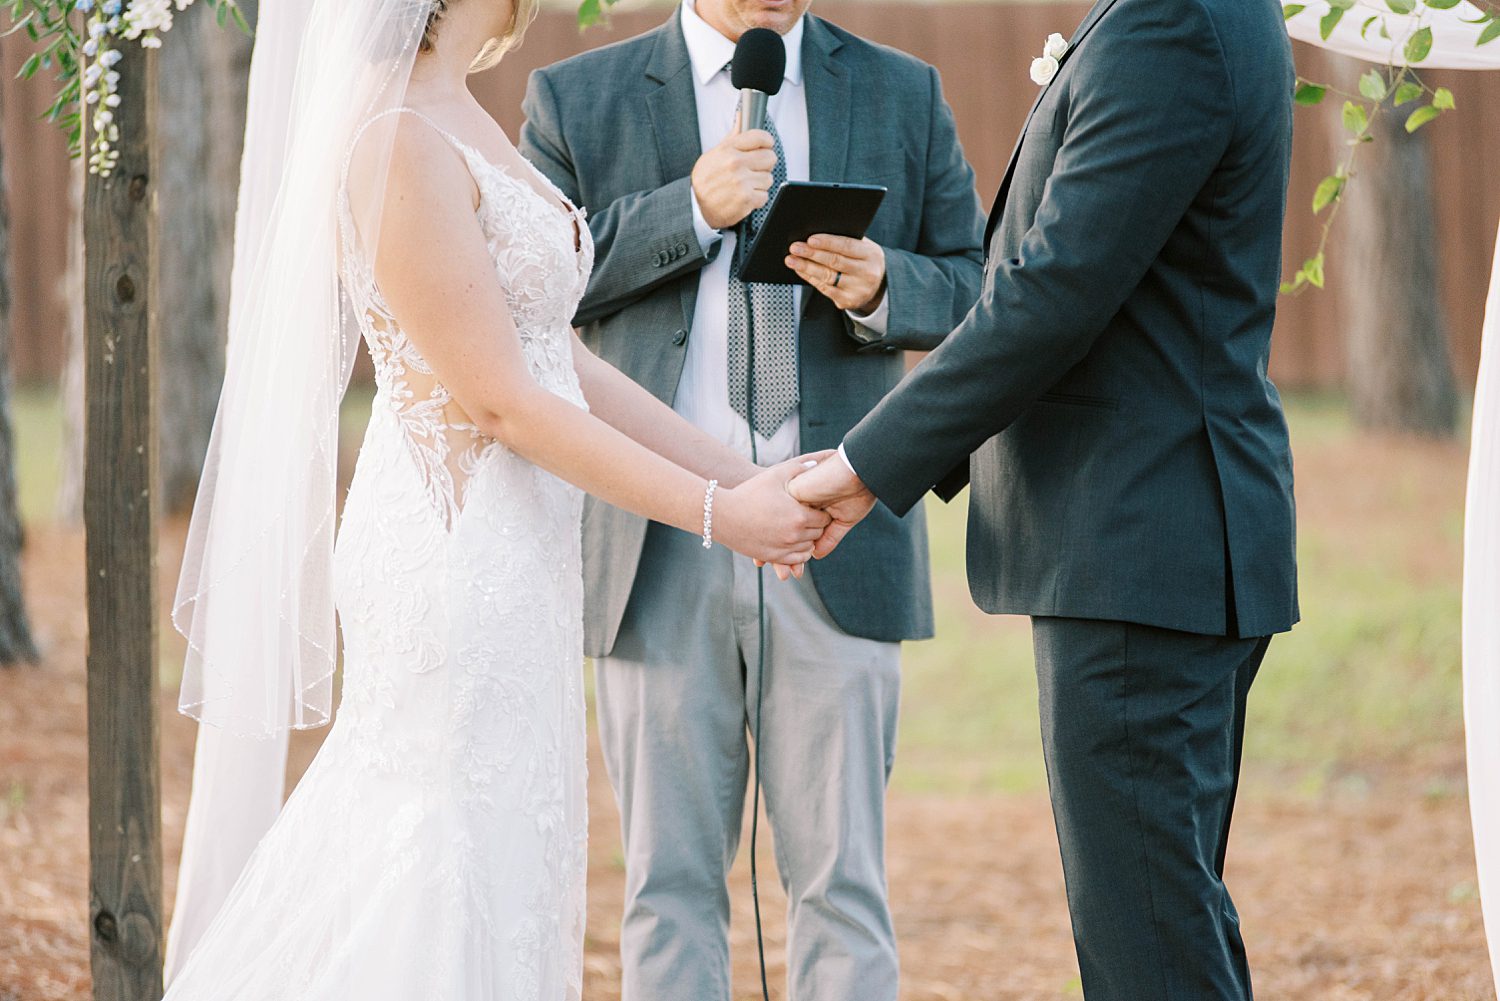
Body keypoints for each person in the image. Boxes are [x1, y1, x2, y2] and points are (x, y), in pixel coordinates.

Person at [164, 0, 831, 996]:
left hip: (521, 557)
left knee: (510, 844)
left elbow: (556, 358)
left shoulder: (461, 106)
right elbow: (502, 402)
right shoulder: (394, 140)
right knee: (439, 842)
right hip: (454, 553)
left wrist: (740, 475)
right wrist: (716, 516)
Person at [791, 0, 1299, 998]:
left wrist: (863, 464)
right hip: (1162, 537)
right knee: (1166, 912)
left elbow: (1055, 289)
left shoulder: (1175, 24)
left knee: (1147, 940)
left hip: (1140, 544)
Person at [519, 1, 985, 997]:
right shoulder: (577, 96)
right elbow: (526, 288)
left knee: (842, 884)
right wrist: (685, 208)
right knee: (669, 883)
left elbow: (979, 281)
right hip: (656, 537)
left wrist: (883, 288)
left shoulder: (903, 89)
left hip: (834, 530)